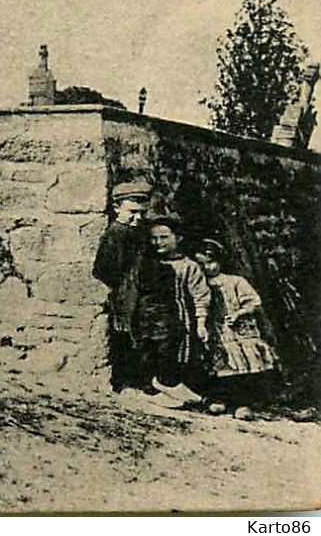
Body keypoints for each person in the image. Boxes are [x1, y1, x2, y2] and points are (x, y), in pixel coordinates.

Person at [193, 239, 279, 419]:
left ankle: (242, 403)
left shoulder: (235, 281)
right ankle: (220, 399)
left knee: (242, 365)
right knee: (221, 365)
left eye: (210, 262)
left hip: (238, 331)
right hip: (216, 331)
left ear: (220, 261)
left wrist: (240, 313)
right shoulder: (200, 284)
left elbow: (253, 302)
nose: (207, 268)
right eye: (202, 264)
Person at [133, 215, 212, 407]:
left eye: (164, 237)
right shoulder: (146, 263)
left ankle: (171, 385)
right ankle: (152, 390)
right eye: (154, 238)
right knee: (147, 350)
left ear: (178, 238)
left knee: (172, 351)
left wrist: (201, 322)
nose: (158, 242)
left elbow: (200, 295)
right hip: (147, 317)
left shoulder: (188, 266)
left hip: (177, 318)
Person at [93, 179, 153, 391]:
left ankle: (141, 380)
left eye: (142, 213)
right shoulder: (116, 234)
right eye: (132, 212)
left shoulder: (138, 232)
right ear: (117, 208)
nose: (138, 218)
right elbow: (104, 270)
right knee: (126, 334)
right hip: (125, 292)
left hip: (140, 290)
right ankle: (127, 382)